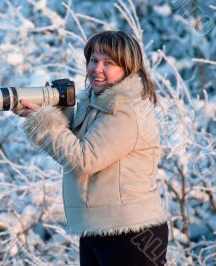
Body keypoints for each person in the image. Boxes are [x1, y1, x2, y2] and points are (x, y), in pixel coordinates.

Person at [14, 30, 169, 266]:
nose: (97, 68)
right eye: (94, 60)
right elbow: (72, 149)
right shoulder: (96, 102)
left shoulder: (124, 110)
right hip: (98, 229)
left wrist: (43, 122)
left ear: (128, 69)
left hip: (130, 234)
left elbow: (84, 160)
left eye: (109, 63)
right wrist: (50, 114)